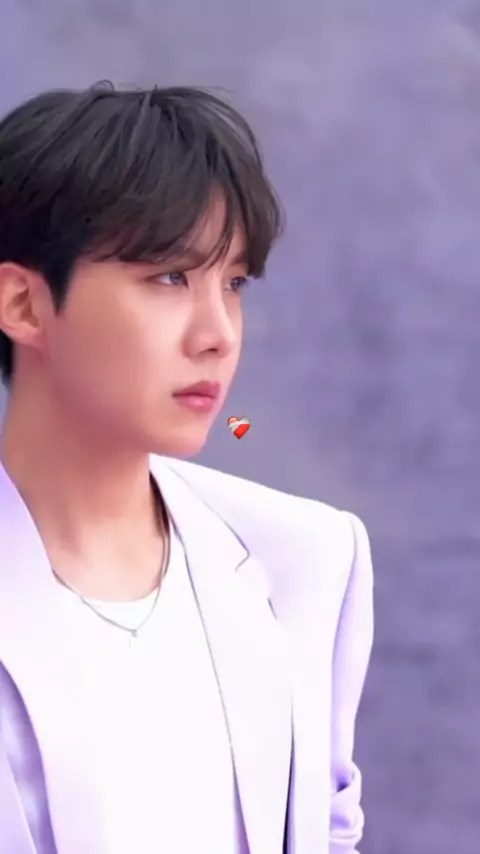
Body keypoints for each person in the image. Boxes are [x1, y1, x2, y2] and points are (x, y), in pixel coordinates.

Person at [0, 83, 373, 854]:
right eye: (169, 277)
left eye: (232, 283)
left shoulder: (306, 558)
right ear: (24, 304)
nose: (218, 334)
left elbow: (329, 832)